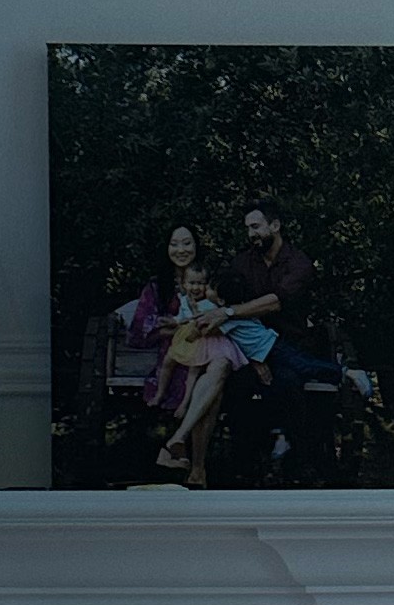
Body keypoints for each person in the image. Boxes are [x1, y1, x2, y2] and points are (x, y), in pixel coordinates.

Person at [216, 200, 377, 473]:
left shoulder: (298, 263)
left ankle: (300, 462)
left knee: (289, 381)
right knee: (237, 385)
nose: (251, 233)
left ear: (275, 226)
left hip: (290, 344)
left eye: (256, 226)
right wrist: (254, 358)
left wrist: (229, 312)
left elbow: (276, 301)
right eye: (248, 228)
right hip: (251, 349)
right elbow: (227, 305)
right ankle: (243, 464)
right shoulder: (242, 263)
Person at [122, 223, 245, 486]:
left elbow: (228, 308)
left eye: (187, 243)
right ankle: (197, 468)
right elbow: (141, 328)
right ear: (166, 248)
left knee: (219, 365)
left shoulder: (209, 281)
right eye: (175, 244)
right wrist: (173, 328)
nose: (181, 249)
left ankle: (177, 444)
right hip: (179, 354)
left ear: (196, 246)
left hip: (210, 347)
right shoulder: (158, 286)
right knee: (213, 387)